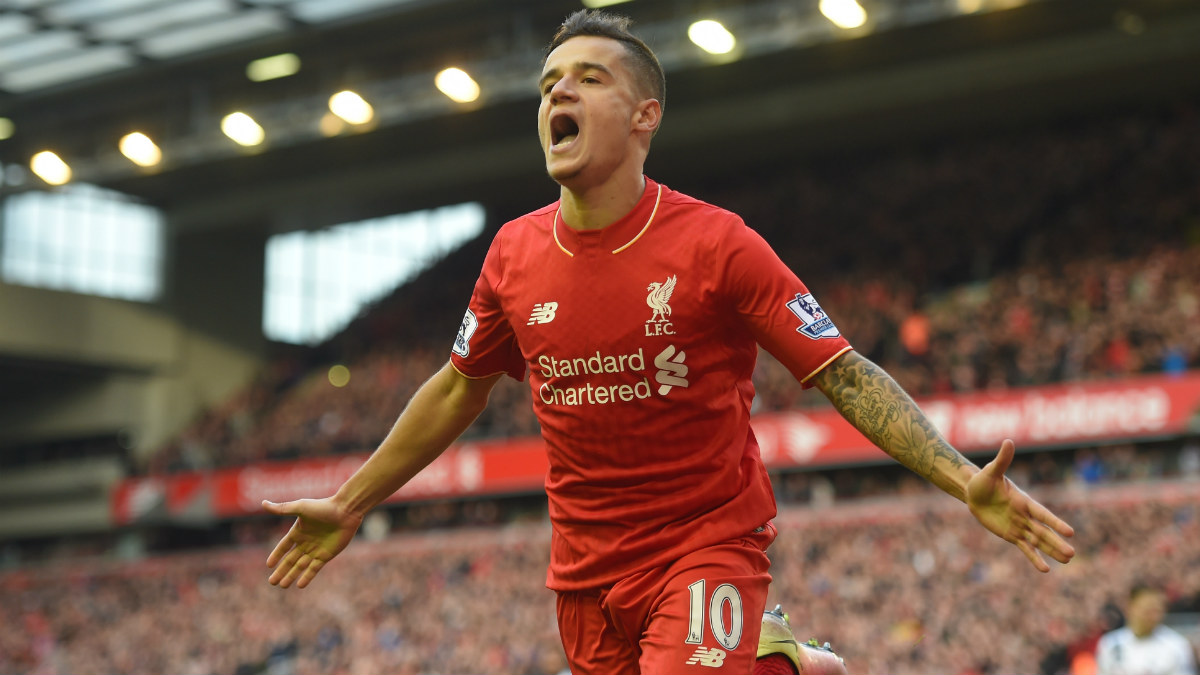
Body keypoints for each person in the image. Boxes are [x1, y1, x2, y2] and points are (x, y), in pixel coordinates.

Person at [262, 10, 1076, 675]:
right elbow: (455, 387)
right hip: (583, 572)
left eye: (587, 78)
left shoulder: (717, 246)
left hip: (706, 543)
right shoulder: (512, 253)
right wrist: (351, 501)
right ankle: (783, 666)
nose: (558, 95)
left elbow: (844, 373)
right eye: (548, 85)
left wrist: (961, 475)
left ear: (645, 115)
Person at [1096, 584, 1198, 675]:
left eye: (1157, 610)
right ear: (1130, 607)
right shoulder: (1111, 643)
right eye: (1147, 610)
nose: (1153, 616)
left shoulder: (1176, 645)